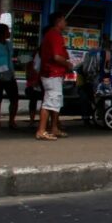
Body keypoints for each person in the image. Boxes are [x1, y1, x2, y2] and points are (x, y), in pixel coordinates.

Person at [36, 13, 74, 141]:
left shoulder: (53, 35)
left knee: (56, 102)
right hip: (52, 73)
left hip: (55, 73)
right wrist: (67, 64)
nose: (66, 23)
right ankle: (41, 130)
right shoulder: (54, 35)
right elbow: (57, 57)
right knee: (49, 102)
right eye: (64, 20)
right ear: (58, 21)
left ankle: (54, 128)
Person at [24, 48, 43, 125]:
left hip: (40, 86)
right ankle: (32, 120)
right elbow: (28, 77)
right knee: (33, 98)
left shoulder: (43, 63)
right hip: (32, 87)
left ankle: (41, 120)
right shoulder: (30, 64)